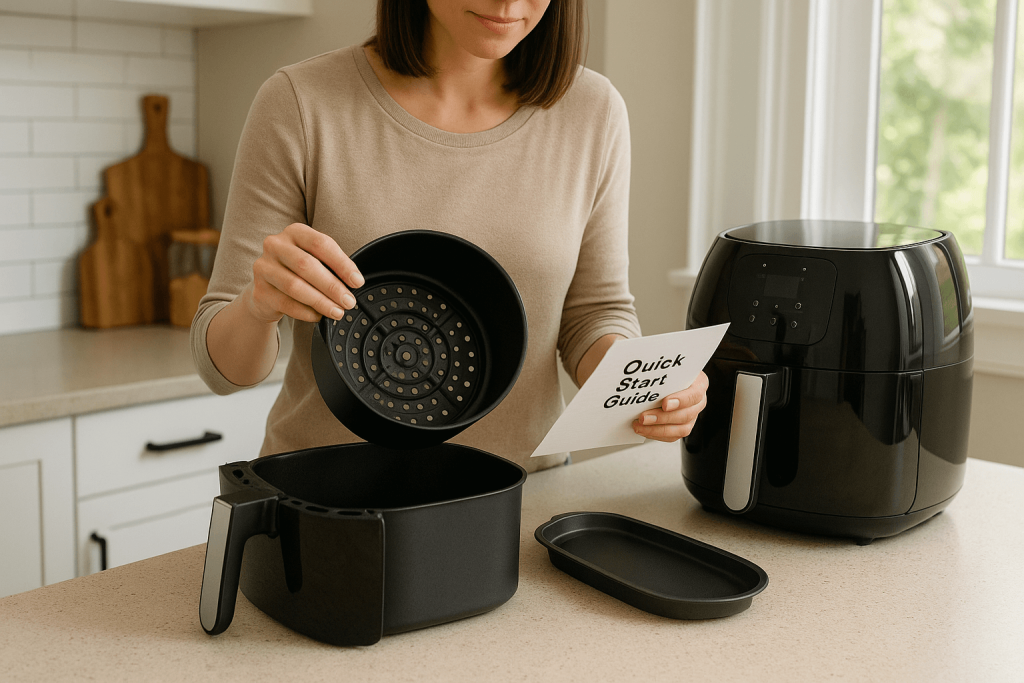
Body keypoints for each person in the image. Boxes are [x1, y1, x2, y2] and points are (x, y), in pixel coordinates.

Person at [191, 0, 709, 472]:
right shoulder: (301, 102)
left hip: (516, 503)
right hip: (328, 499)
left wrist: (647, 385)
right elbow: (223, 370)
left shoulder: (592, 111)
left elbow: (592, 314)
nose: (508, 4)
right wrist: (260, 306)